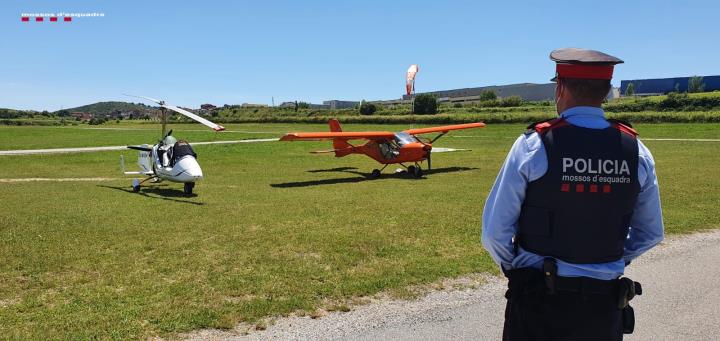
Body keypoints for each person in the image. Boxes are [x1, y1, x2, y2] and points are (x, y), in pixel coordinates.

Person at [481, 48, 664, 340]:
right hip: (602, 310)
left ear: (560, 87)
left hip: (538, 302)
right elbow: (651, 232)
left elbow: (494, 233)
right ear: (606, 91)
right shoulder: (636, 151)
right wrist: (608, 260)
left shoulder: (534, 144)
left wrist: (518, 267)